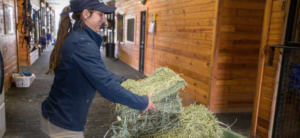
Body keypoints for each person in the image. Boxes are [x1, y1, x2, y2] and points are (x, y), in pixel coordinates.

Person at [41, 0, 157, 138]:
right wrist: (143, 103)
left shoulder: (80, 38)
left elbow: (99, 73)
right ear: (85, 14)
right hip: (63, 123)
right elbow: (106, 86)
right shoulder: (82, 43)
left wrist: (125, 82)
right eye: (100, 14)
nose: (103, 20)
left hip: (59, 116)